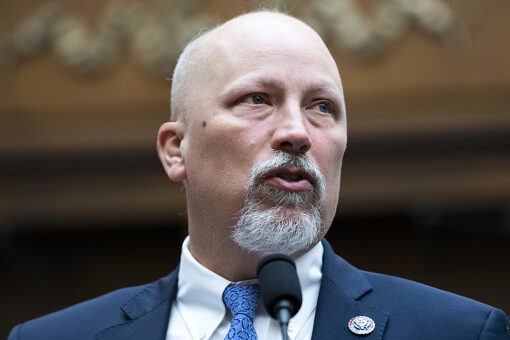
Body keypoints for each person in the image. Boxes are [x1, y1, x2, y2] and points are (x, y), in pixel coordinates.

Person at [8, 10, 510, 340]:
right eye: (257, 100)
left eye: (321, 107)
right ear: (176, 149)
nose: (297, 132)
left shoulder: (458, 331)